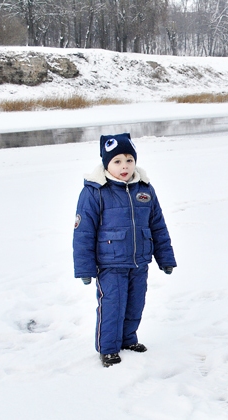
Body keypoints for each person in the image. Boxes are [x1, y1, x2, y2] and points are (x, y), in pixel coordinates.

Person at [73, 133, 176, 367]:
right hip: (110, 264)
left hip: (139, 262)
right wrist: (84, 269)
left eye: (129, 160)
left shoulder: (145, 189)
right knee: (112, 305)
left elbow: (157, 225)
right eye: (117, 161)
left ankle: (128, 339)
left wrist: (165, 258)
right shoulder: (95, 191)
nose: (125, 166)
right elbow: (83, 232)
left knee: (135, 303)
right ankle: (108, 348)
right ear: (106, 163)